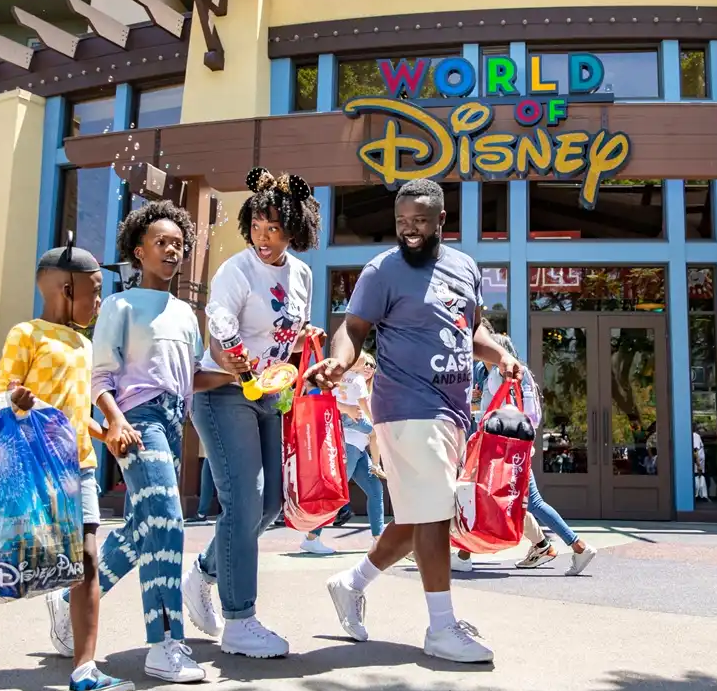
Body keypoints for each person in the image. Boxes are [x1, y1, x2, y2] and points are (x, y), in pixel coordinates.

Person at [307, 179, 520, 664]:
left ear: (441, 221)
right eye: (403, 223)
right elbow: (354, 328)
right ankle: (442, 627)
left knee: (422, 513)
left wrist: (499, 356)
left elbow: (471, 329)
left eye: (420, 222)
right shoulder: (381, 271)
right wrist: (339, 363)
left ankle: (350, 582)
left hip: (452, 409)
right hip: (405, 404)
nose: (410, 231)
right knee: (436, 513)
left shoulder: (464, 266)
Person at [0, 243, 134, 691]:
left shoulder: (83, 342)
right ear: (65, 288)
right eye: (94, 293)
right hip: (34, 470)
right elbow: (7, 394)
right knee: (11, 565)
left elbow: (74, 412)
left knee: (88, 565)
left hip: (79, 468)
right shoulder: (27, 334)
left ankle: (84, 671)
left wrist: (106, 434)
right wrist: (19, 399)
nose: (99, 303)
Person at [46, 200, 207, 684]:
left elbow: (194, 376)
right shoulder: (119, 304)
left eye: (178, 243)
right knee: (167, 522)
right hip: (138, 420)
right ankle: (163, 644)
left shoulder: (185, 314)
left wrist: (251, 375)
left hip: (174, 421)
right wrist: (114, 421)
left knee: (143, 527)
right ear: (138, 252)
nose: (171, 250)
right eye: (160, 243)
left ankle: (66, 598)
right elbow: (99, 377)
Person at [181, 167, 320, 660]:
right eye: (257, 226)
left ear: (294, 229)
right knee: (244, 501)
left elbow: (287, 332)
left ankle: (203, 571)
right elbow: (219, 322)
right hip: (223, 393)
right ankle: (239, 620)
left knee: (268, 505)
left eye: (275, 228)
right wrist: (227, 352)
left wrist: (306, 341)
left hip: (270, 395)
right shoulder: (235, 271)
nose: (264, 237)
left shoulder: (302, 274)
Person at [455, 333, 597, 577]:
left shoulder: (501, 375)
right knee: (491, 496)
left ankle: (578, 545)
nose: (481, 352)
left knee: (527, 500)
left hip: (502, 450)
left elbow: (501, 413)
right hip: (513, 447)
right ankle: (464, 554)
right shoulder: (513, 375)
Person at [301, 351, 386, 554]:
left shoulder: (359, 386)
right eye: (365, 363)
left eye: (372, 365)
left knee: (375, 491)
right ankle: (311, 537)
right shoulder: (352, 381)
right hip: (346, 446)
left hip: (357, 448)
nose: (368, 367)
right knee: (334, 495)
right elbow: (366, 418)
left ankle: (379, 540)